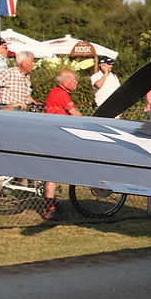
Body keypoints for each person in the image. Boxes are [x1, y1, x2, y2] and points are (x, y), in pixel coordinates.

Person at [41, 69, 83, 220]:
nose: (76, 82)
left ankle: (52, 204)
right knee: (51, 174)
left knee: (53, 173)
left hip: (53, 136)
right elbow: (74, 113)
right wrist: (89, 124)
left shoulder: (54, 92)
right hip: (55, 138)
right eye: (74, 80)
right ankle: (49, 209)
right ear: (65, 83)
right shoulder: (61, 93)